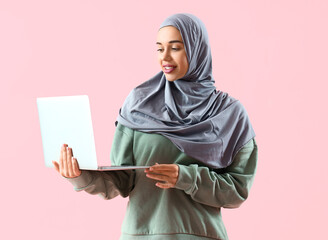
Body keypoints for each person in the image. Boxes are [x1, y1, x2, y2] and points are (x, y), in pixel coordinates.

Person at [53, 13, 258, 240]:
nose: (165, 58)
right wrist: (79, 175)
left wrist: (186, 177)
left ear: (197, 49)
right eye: (160, 49)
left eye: (176, 48)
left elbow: (237, 191)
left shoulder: (228, 113)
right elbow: (122, 180)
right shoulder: (138, 104)